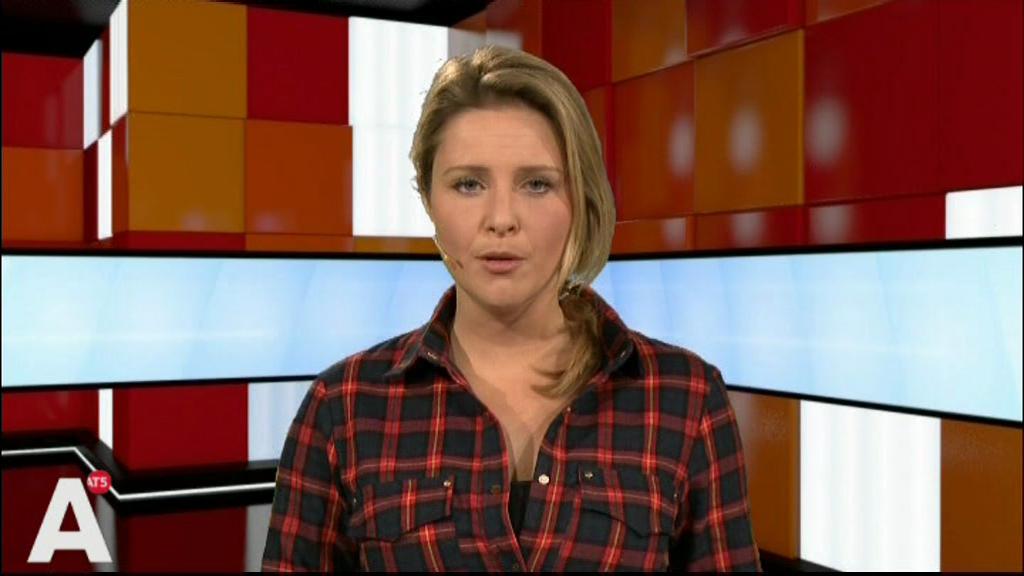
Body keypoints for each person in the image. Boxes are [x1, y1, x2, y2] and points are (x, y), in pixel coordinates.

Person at [262, 44, 760, 572]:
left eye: (537, 184)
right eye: (468, 184)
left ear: (581, 199)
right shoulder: (342, 408)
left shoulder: (687, 399)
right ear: (429, 199)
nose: (501, 219)